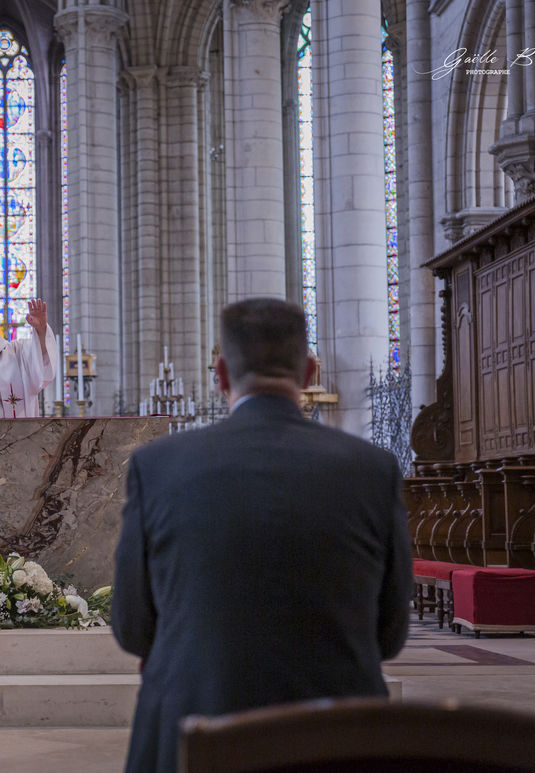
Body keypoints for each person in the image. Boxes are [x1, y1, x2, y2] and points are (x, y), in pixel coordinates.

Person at [111, 297, 412, 773]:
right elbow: (391, 635)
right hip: (340, 738)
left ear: (223, 374)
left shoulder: (158, 465)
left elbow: (132, 627)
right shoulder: (372, 469)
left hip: (193, 731)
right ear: (310, 372)